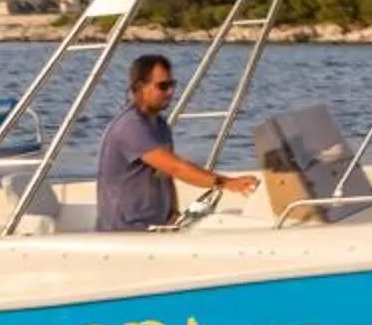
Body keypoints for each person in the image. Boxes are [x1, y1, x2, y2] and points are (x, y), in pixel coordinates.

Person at [94, 53, 258, 231]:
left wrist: (173, 213)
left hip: (155, 227)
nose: (170, 92)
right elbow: (176, 168)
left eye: (172, 85)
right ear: (140, 87)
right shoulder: (130, 126)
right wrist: (225, 183)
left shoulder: (159, 124)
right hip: (126, 232)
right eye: (163, 86)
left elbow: (167, 173)